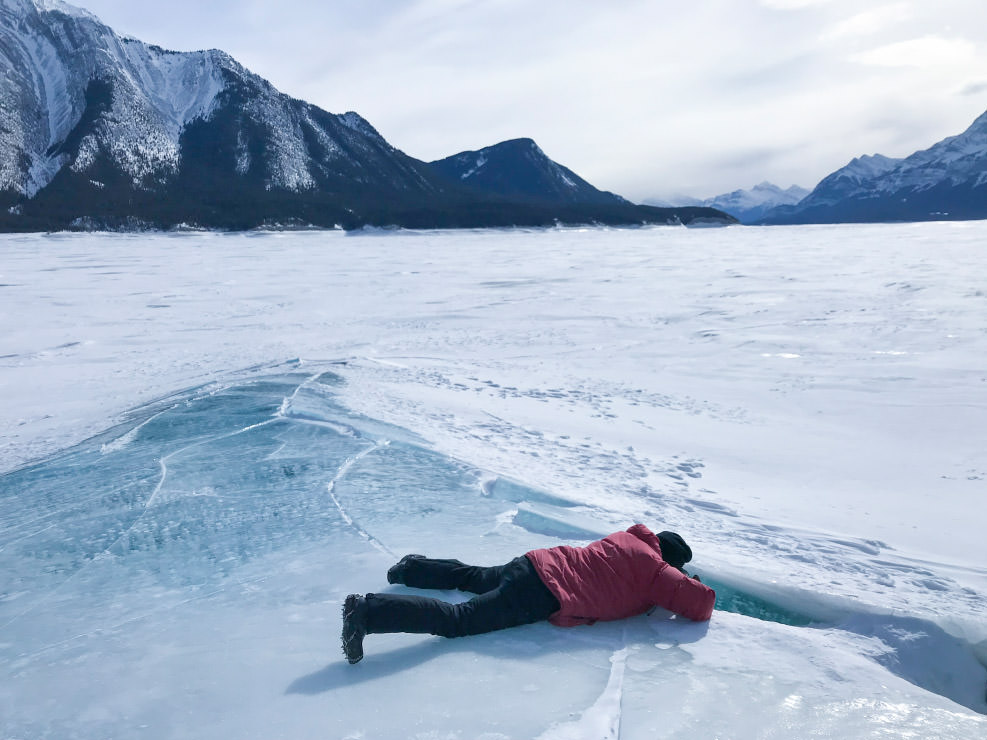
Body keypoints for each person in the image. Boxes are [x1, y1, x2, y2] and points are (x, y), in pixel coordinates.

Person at [341, 524, 715, 664]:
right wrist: (681, 579)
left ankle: (411, 568)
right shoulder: (655, 571)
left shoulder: (626, 540)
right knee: (460, 620)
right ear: (671, 561)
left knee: (475, 576)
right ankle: (368, 612)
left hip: (536, 564)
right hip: (545, 591)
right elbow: (699, 605)